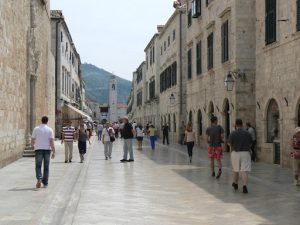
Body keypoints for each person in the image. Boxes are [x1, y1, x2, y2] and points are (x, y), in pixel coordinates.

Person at [228, 119, 253, 194]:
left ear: (236, 124)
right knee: (244, 170)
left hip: (235, 153)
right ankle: (244, 186)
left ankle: (235, 183)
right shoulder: (247, 133)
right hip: (245, 153)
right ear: (242, 124)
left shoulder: (233, 133)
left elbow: (229, 144)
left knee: (236, 169)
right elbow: (250, 143)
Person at [31, 116, 55, 188]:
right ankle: (45, 183)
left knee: (38, 166)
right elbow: (51, 141)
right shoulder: (50, 130)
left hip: (38, 149)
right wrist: (54, 151)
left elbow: (32, 140)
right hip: (47, 150)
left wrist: (33, 145)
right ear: (47, 121)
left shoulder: (36, 129)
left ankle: (39, 178)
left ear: (41, 121)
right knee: (46, 167)